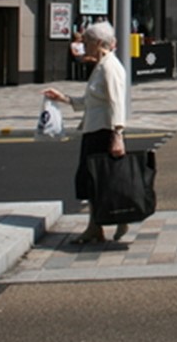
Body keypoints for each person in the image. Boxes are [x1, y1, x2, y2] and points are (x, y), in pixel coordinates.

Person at [43, 21, 127, 244]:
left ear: (99, 43)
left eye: (87, 42)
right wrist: (64, 99)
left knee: (100, 179)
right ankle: (95, 227)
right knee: (92, 181)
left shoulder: (110, 67)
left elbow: (117, 102)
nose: (83, 46)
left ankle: (118, 217)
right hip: (93, 129)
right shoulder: (100, 66)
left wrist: (118, 134)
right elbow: (91, 101)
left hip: (104, 132)